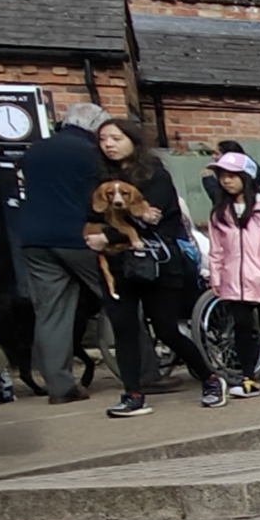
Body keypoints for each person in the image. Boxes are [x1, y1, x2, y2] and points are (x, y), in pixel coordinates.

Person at [90, 118, 223, 414]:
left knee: (166, 329)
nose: (109, 144)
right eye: (103, 139)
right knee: (124, 329)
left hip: (158, 262)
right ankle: (132, 394)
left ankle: (210, 377)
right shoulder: (97, 178)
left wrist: (108, 234)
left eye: (115, 138)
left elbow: (151, 217)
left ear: (133, 141)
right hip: (118, 265)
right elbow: (92, 212)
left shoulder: (155, 175)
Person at [6, 104, 111, 400]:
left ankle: (60, 386)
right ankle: (145, 373)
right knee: (120, 299)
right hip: (79, 236)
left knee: (51, 314)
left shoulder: (35, 150)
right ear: (94, 127)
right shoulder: (90, 153)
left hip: (34, 238)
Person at [195, 150, 260, 399]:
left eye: (232, 175)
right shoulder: (220, 213)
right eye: (222, 176)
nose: (226, 181)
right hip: (234, 282)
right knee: (241, 328)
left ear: (246, 177)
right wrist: (216, 276)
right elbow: (217, 249)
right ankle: (247, 376)